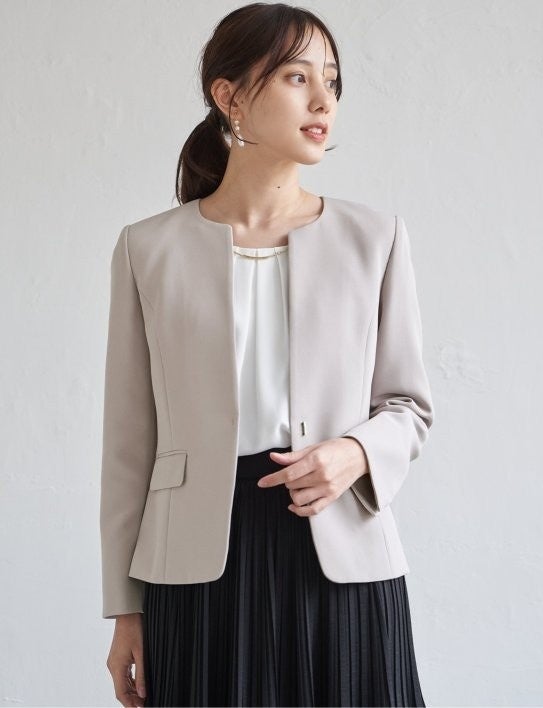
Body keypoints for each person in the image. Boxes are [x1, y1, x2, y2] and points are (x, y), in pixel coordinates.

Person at [100, 3, 435, 706]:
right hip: (194, 568)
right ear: (230, 96)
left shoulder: (375, 238)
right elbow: (130, 444)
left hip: (339, 548)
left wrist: (355, 453)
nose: (324, 101)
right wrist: (125, 609)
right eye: (296, 77)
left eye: (332, 81)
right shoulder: (147, 248)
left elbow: (408, 406)